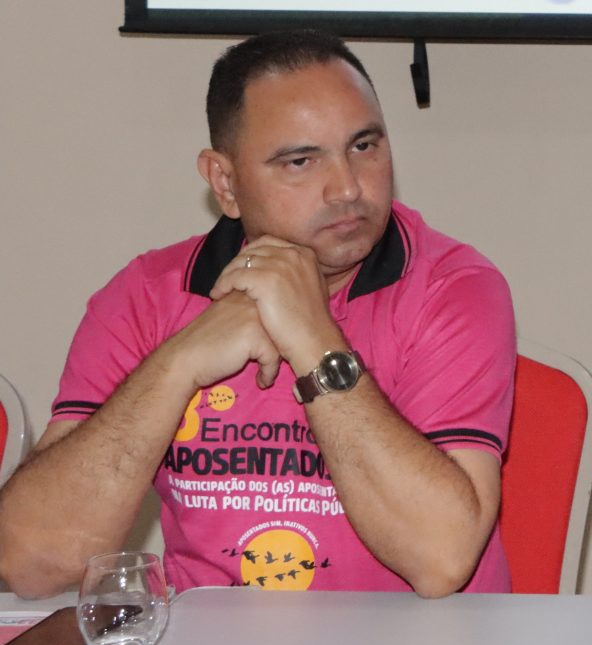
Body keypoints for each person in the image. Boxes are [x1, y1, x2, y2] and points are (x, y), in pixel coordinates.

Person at [0, 31, 516, 598]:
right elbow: (30, 561)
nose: (347, 188)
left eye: (364, 146)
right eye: (301, 161)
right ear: (225, 183)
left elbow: (441, 560)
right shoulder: (146, 296)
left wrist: (315, 340)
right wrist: (179, 363)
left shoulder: (453, 287)